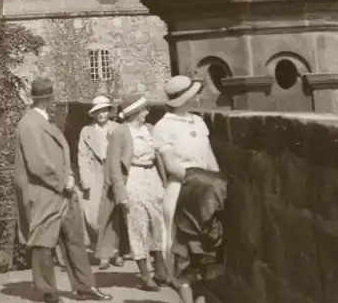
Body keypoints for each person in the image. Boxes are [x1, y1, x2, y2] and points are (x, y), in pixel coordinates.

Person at [13, 77, 112, 303]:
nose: (54, 102)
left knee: (74, 240)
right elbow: (37, 162)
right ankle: (47, 292)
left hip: (62, 193)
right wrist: (62, 180)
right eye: (51, 98)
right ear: (47, 98)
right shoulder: (29, 124)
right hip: (44, 193)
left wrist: (68, 177)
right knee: (43, 244)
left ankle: (85, 287)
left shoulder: (44, 122)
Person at [152, 75, 226, 299]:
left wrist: (218, 183)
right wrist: (204, 180)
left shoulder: (198, 121)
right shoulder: (163, 126)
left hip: (206, 194)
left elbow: (210, 158)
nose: (196, 98)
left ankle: (201, 298)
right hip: (182, 192)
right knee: (183, 253)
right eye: (193, 95)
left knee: (206, 250)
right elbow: (172, 167)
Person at [106, 94, 169, 291]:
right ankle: (144, 275)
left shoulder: (149, 129)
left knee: (158, 222)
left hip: (152, 177)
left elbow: (158, 156)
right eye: (144, 110)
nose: (147, 113)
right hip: (133, 178)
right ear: (134, 112)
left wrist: (164, 182)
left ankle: (160, 270)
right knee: (137, 225)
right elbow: (113, 164)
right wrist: (120, 193)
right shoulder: (121, 132)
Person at [77, 95, 122, 269]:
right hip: (96, 175)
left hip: (114, 175)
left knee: (115, 215)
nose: (102, 114)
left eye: (104, 110)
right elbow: (82, 156)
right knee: (95, 215)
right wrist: (85, 179)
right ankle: (103, 251)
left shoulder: (118, 129)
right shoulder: (86, 131)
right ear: (93, 114)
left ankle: (115, 252)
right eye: (98, 111)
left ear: (109, 112)